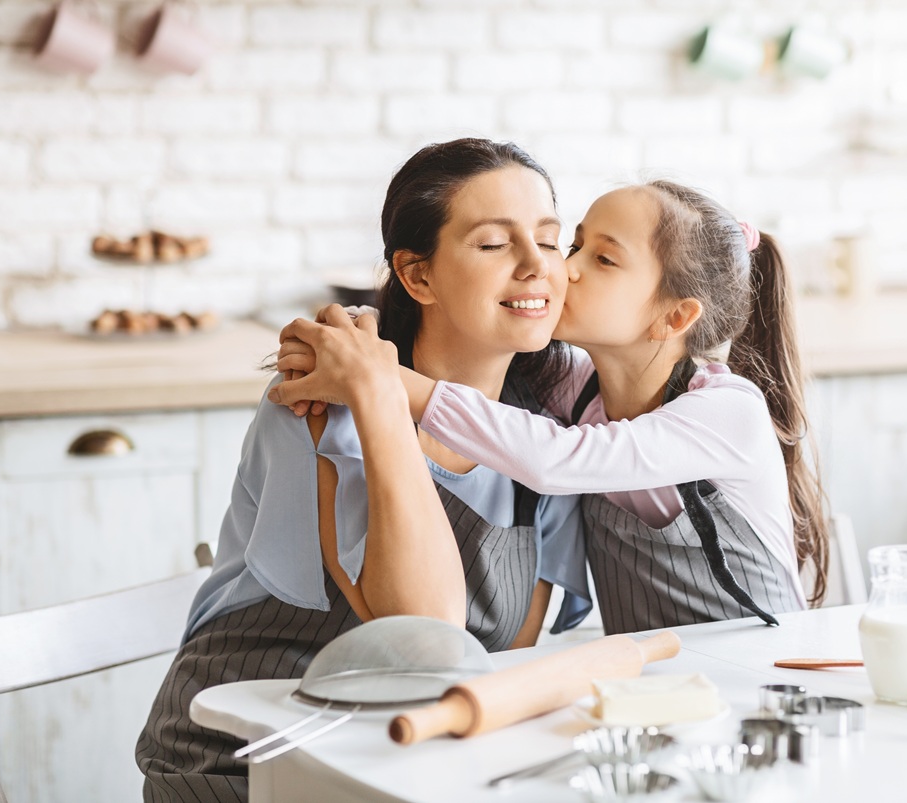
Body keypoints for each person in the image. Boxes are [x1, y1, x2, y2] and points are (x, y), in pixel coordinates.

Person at [136, 138, 590, 803]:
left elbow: (499, 664)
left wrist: (380, 379)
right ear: (417, 275)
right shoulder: (318, 403)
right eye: (494, 245)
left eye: (550, 241)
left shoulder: (551, 427)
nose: (534, 266)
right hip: (241, 762)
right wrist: (377, 394)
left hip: (403, 760)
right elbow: (429, 631)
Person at [273, 179, 829, 637]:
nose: (565, 269)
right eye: (575, 246)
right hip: (657, 694)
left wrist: (380, 380)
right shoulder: (573, 386)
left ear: (675, 317)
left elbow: (554, 458)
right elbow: (479, 366)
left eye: (605, 259)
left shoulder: (728, 412)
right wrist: (345, 339)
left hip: (765, 678)